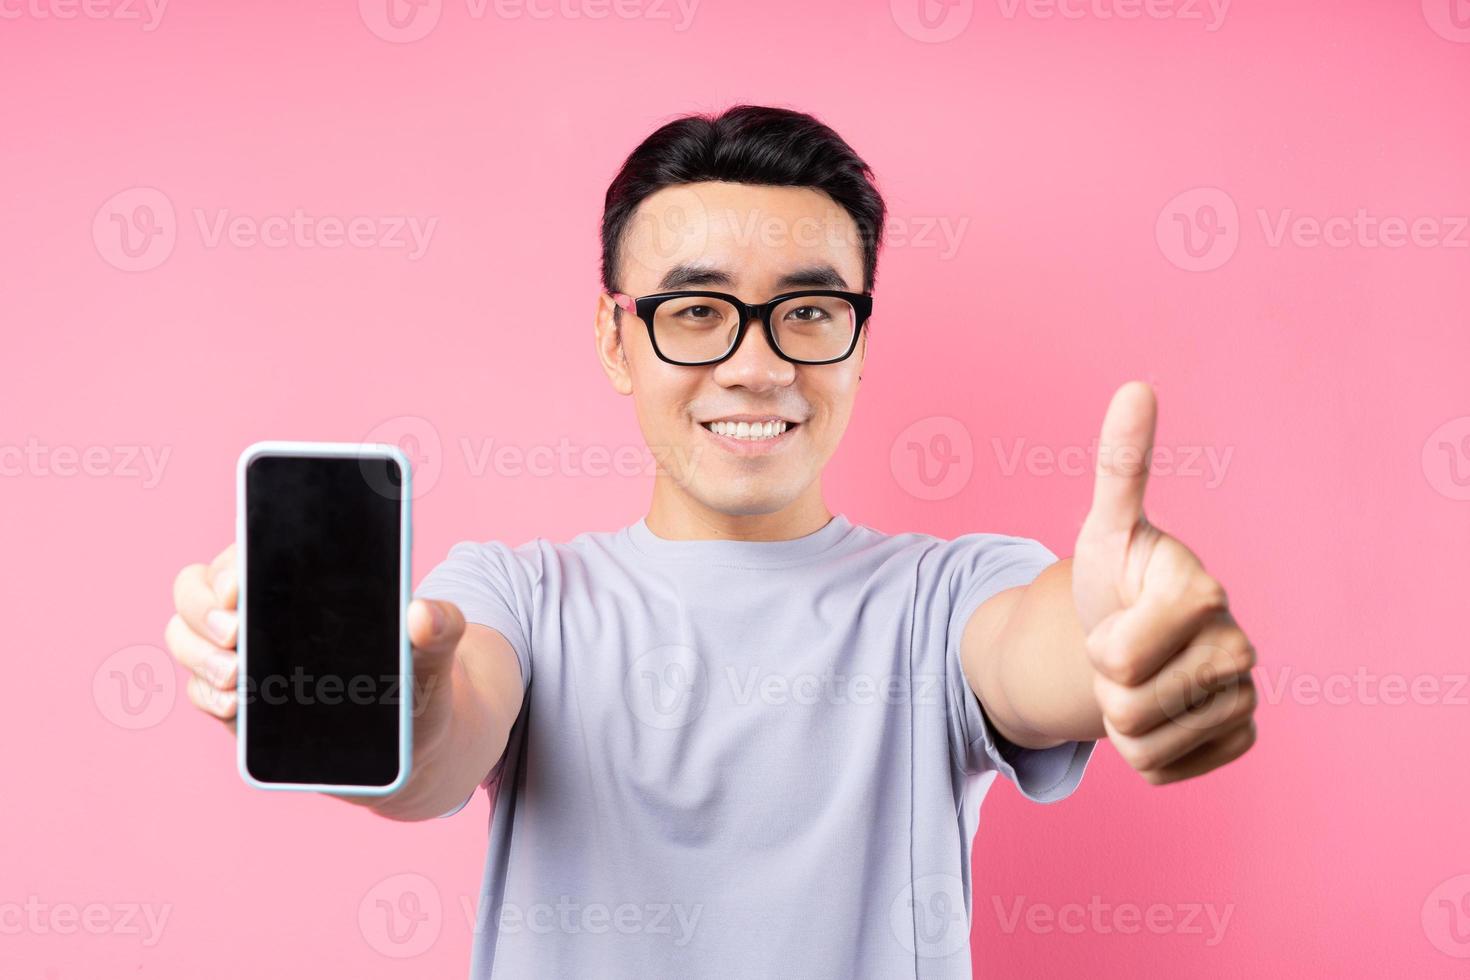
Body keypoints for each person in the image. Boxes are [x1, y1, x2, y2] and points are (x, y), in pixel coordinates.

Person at [165, 105, 1257, 979]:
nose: (758, 365)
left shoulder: (945, 593)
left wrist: (1127, 636)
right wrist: (378, 702)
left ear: (859, 341)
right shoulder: (520, 594)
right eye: (695, 311)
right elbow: (441, 741)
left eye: (810, 312)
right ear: (614, 337)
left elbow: (1042, 650)